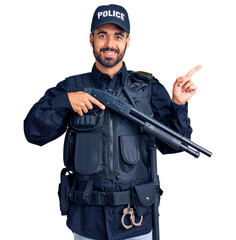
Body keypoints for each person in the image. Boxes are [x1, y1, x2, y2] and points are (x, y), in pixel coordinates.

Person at [24, 4, 201, 240]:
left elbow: (175, 144)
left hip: (135, 219)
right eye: (102, 35)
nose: (110, 43)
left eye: (118, 36)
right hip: (87, 220)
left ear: (127, 40)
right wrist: (64, 102)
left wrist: (178, 104)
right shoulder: (71, 87)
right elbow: (33, 132)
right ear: (91, 39)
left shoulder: (147, 88)